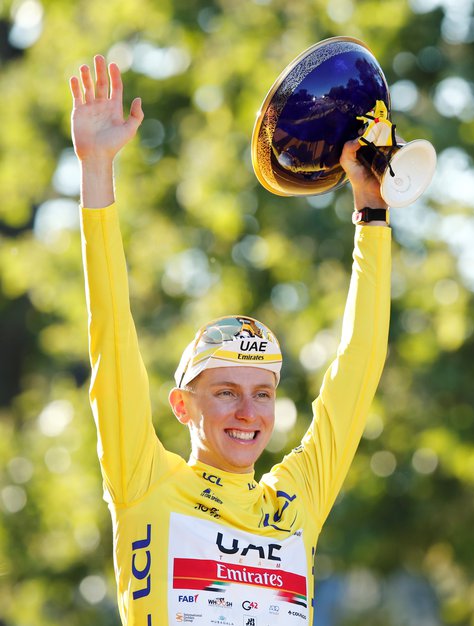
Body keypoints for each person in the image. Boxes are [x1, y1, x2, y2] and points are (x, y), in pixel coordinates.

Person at [72, 54, 391, 625]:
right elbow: (111, 337)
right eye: (225, 392)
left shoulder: (295, 501)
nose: (249, 412)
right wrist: (96, 170)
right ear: (182, 405)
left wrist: (372, 213)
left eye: (262, 393)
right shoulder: (144, 480)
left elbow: (359, 363)